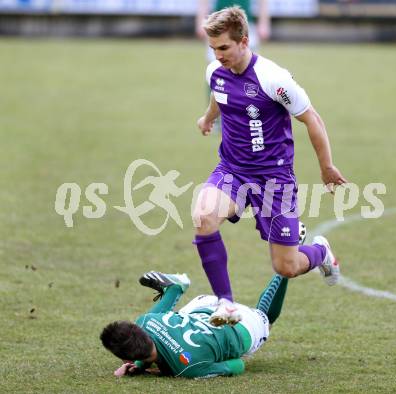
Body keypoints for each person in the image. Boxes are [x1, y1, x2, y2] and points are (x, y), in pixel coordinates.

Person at [192, 6, 347, 326]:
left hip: (274, 180)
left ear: (244, 41)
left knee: (286, 267)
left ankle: (320, 252)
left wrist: (327, 167)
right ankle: (226, 303)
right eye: (213, 49)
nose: (217, 55)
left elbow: (313, 120)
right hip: (232, 170)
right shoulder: (214, 72)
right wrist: (208, 118)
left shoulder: (274, 79)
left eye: (224, 48)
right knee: (204, 215)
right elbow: (219, 97)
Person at [100, 269, 292, 378]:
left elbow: (238, 365)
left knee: (265, 317)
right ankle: (175, 288)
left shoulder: (186, 368)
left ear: (126, 359)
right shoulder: (145, 321)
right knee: (175, 317)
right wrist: (141, 365)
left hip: (240, 325)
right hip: (205, 304)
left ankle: (284, 271)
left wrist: (147, 368)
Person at [196, 0, 271, 63]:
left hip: (245, 24)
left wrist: (263, 23)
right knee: (216, 66)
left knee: (249, 65)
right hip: (218, 25)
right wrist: (201, 21)